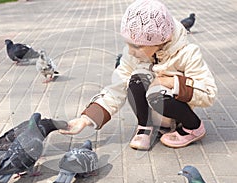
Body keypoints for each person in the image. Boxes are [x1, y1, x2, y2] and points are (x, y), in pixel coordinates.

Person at [59, 0, 217, 150]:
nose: (130, 51)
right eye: (128, 43)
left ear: (162, 40)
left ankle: (193, 127)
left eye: (137, 46)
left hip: (174, 112)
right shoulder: (132, 56)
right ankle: (145, 125)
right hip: (153, 108)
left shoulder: (188, 53)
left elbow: (209, 93)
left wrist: (172, 82)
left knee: (157, 92)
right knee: (136, 79)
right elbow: (116, 88)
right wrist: (86, 119)